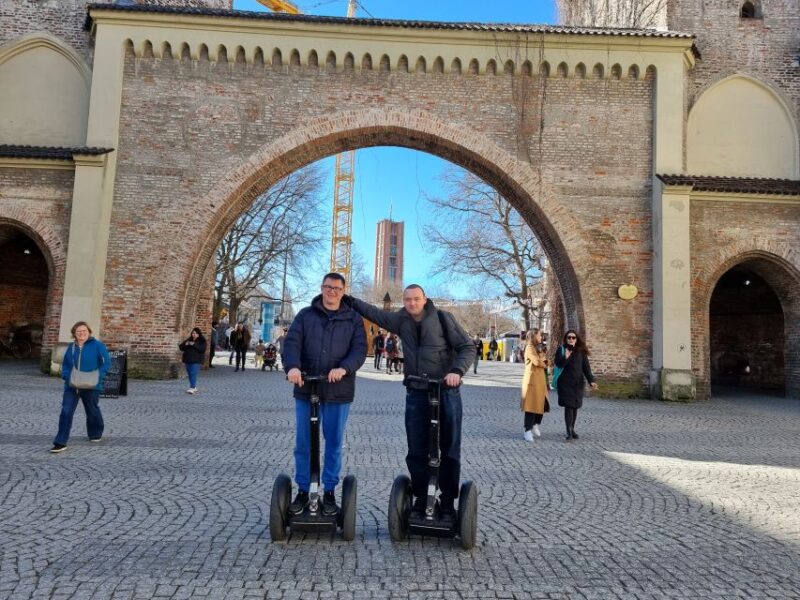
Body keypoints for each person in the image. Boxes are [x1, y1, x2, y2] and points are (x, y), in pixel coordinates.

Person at [346, 284, 475, 521]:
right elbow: (375, 314)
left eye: (416, 299)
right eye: (407, 300)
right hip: (416, 391)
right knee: (416, 450)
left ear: (424, 299)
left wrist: (457, 371)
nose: (412, 303)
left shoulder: (443, 318)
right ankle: (421, 498)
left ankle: (447, 502)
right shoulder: (401, 320)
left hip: (446, 391)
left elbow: (467, 347)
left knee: (449, 449)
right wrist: (349, 300)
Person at [283, 273, 367, 517]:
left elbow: (360, 349)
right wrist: (293, 367)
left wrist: (345, 368)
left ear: (343, 291)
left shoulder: (353, 319)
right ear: (321, 288)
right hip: (306, 387)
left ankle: (329, 491)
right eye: (328, 287)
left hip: (338, 390)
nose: (332, 291)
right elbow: (292, 344)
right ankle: (303, 489)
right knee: (303, 442)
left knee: (333, 443)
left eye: (337, 288)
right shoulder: (305, 316)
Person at [50, 321, 111, 453]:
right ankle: (60, 442)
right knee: (66, 411)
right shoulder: (71, 347)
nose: (81, 333)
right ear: (74, 334)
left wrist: (97, 376)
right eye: (78, 332)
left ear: (89, 332)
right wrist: (66, 376)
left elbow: (106, 363)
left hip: (92, 385)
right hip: (72, 385)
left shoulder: (98, 346)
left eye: (84, 331)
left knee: (92, 410)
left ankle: (95, 433)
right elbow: (65, 364)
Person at [554, 329, 598, 441]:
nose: (571, 339)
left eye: (573, 337)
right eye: (569, 337)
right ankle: (568, 431)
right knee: (568, 406)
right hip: (565, 383)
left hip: (577, 383)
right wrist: (566, 357)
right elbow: (558, 364)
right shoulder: (561, 349)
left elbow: (586, 368)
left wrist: (591, 381)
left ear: (576, 339)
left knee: (575, 407)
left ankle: (572, 429)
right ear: (566, 339)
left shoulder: (581, 351)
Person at [520, 329, 549, 440]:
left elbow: (547, 361)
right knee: (531, 406)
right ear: (534, 336)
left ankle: (535, 424)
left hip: (541, 381)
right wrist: (543, 361)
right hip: (532, 381)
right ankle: (527, 430)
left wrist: (544, 360)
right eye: (539, 335)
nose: (541, 337)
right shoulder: (529, 347)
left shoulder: (539, 348)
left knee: (543, 404)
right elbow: (537, 362)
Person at [179, 327, 207, 394]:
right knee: (190, 374)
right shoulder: (189, 340)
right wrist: (185, 345)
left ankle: (192, 387)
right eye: (193, 333)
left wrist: (194, 344)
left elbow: (202, 349)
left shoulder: (202, 341)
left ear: (198, 334)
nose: (193, 335)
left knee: (193, 373)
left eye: (195, 333)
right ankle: (194, 387)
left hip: (196, 360)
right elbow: (181, 347)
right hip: (188, 359)